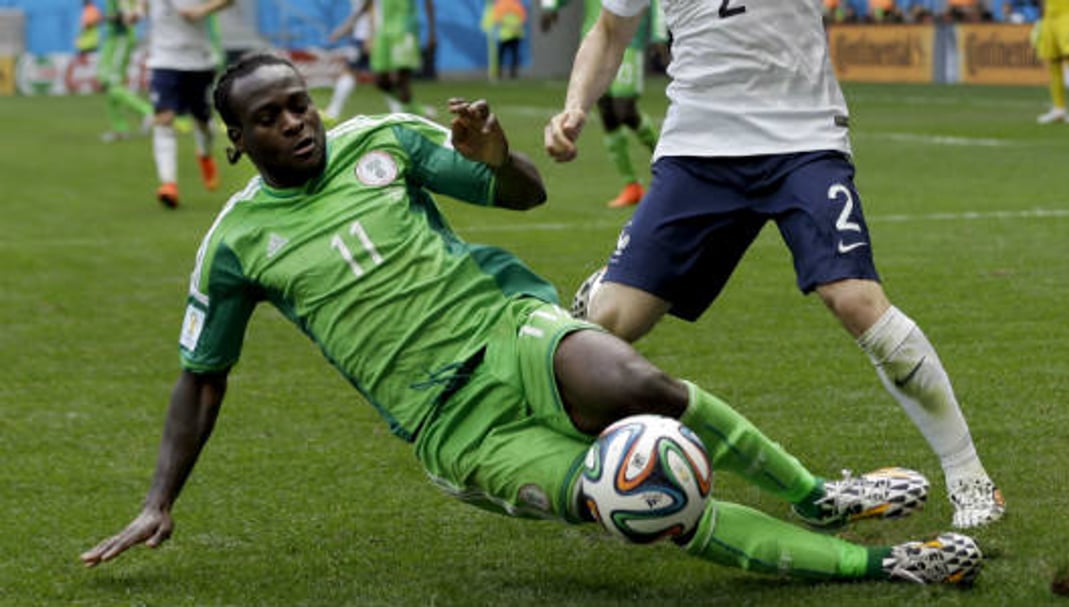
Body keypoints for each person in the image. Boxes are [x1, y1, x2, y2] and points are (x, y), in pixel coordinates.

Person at [79, 53, 984, 587]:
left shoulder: (381, 141)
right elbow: (202, 375)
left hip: (507, 329)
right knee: (639, 502)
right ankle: (882, 566)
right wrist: (159, 500)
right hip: (448, 422)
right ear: (238, 140)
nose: (296, 125)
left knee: (644, 386)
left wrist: (497, 156)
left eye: (299, 105)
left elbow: (522, 196)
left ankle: (815, 494)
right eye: (269, 119)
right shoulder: (234, 244)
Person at [545, 0, 1005, 529]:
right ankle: (605, 295)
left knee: (855, 298)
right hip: (699, 149)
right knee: (610, 322)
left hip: (803, 140)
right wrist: (575, 105)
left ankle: (969, 477)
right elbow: (608, 32)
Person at [540, 0, 664, 209]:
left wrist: (659, 34)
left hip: (629, 43)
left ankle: (665, 158)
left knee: (625, 109)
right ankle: (630, 185)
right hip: (594, 43)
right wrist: (550, 6)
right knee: (607, 113)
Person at [142, 0, 234, 209]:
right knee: (164, 119)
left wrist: (202, 10)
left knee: (203, 122)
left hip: (198, 60)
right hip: (163, 60)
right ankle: (169, 184)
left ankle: (204, 154)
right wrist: (138, 11)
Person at [330, 0, 436, 117]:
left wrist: (432, 33)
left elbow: (428, 3)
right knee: (380, 80)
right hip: (384, 31)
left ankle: (408, 116)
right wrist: (349, 24)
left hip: (405, 30)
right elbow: (367, 4)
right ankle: (414, 109)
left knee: (401, 80)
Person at [96, 0, 155, 143]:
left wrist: (105, 18)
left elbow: (127, 16)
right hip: (112, 39)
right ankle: (119, 130)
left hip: (120, 39)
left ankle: (148, 112)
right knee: (107, 83)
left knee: (112, 84)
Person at [1032, 0, 1069, 124]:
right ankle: (1059, 109)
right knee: (1053, 62)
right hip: (1049, 16)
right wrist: (1041, 19)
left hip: (1067, 15)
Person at [324, 0, 374, 121]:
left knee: (349, 72)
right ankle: (403, 110)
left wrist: (370, 36)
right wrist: (344, 30)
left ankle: (333, 112)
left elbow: (371, 9)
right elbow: (360, 12)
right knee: (383, 78)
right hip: (363, 36)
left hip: (364, 37)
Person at [486, 0, 527, 80]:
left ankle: (500, 73)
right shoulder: (517, 3)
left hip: (506, 34)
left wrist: (509, 25)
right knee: (513, 54)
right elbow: (523, 18)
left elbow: (497, 19)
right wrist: (516, 26)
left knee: (503, 55)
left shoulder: (500, 3)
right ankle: (512, 74)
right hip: (514, 33)